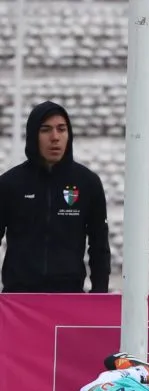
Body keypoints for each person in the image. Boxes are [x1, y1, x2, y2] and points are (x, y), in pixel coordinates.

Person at [0, 101, 110, 293]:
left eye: (61, 129)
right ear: (33, 135)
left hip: (69, 298)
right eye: (46, 130)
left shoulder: (88, 183)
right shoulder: (9, 184)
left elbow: (99, 245)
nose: (55, 137)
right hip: (19, 301)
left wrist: (98, 294)